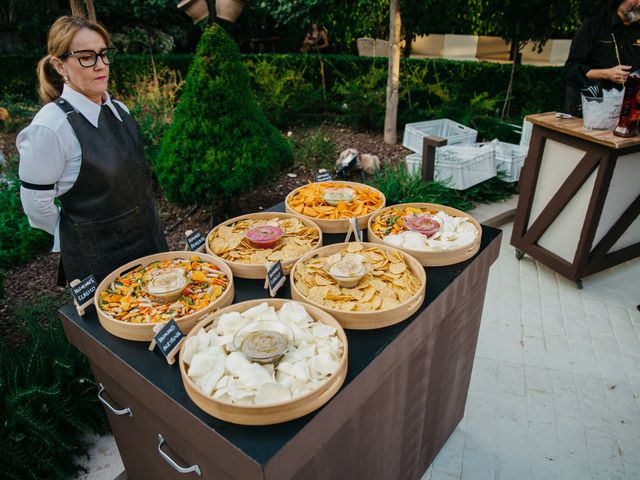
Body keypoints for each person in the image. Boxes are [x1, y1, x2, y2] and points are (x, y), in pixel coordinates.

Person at [17, 15, 168, 284]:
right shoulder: (50, 127)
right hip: (101, 266)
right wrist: (81, 234)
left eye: (103, 54)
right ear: (59, 65)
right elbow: (36, 206)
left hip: (151, 246)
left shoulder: (119, 110)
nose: (100, 66)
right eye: (86, 57)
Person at [564, 0, 640, 116]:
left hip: (627, 113)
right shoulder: (592, 26)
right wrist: (607, 74)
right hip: (589, 109)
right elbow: (571, 70)